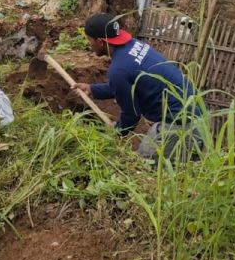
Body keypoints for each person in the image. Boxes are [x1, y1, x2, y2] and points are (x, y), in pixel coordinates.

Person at [75, 13, 203, 162]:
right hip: (199, 112)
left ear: (100, 42)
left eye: (89, 40)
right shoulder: (134, 45)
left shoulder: (118, 69)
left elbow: (132, 115)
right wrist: (92, 89)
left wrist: (116, 132)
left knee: (142, 165)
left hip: (181, 124)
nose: (89, 44)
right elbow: (123, 86)